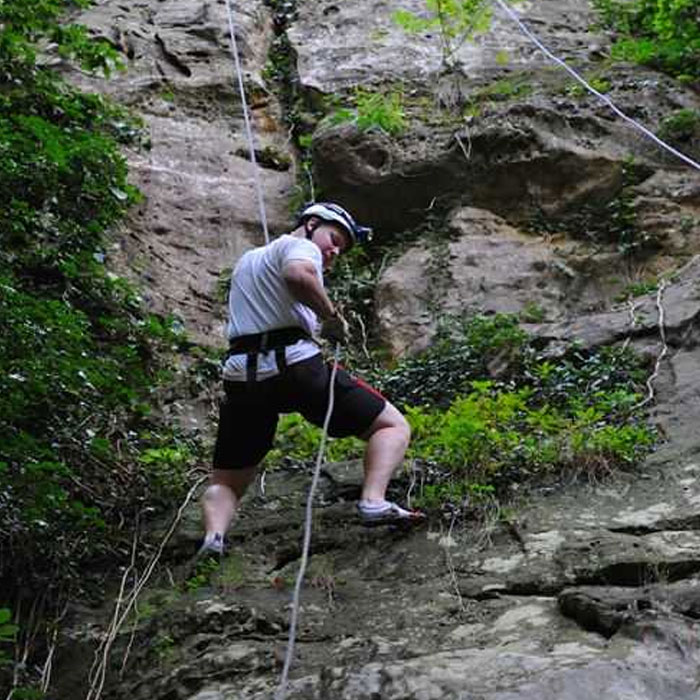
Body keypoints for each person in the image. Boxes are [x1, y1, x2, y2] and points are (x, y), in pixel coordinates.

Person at [198, 202, 424, 557]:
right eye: (334, 239)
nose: (334, 251)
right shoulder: (300, 246)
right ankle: (373, 501)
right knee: (392, 426)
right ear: (311, 223)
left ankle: (214, 538)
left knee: (227, 478)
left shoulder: (246, 262)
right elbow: (299, 276)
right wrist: (331, 317)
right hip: (294, 366)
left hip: (242, 375)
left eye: (340, 249)